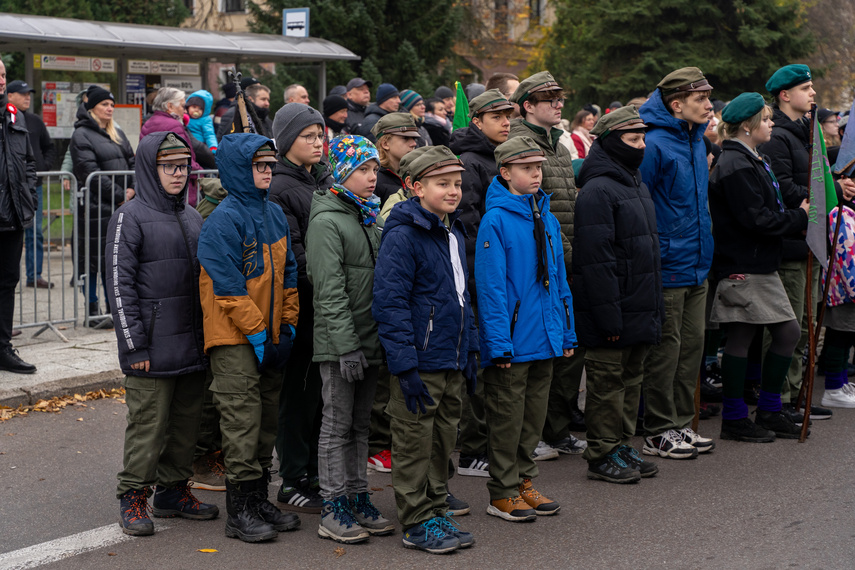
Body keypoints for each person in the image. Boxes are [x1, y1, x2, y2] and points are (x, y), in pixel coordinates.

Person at [107, 131, 218, 536]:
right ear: (150, 169)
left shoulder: (193, 216)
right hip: (150, 348)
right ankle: (133, 494)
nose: (178, 174)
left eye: (183, 166)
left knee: (186, 424)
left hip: (191, 346)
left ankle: (172, 490)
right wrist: (134, 346)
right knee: (148, 426)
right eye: (168, 166)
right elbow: (119, 286)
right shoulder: (129, 216)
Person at [372, 145, 478, 554]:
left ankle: (435, 508)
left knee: (440, 441)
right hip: (420, 362)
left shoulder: (452, 231)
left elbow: (462, 297)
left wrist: (469, 350)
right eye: (441, 184)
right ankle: (416, 521)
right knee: (415, 443)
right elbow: (390, 303)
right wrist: (404, 365)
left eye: (456, 183)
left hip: (450, 359)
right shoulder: (403, 235)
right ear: (415, 187)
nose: (452, 191)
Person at [197, 134, 301, 543]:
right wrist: (259, 333)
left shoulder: (273, 213)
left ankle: (258, 499)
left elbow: (289, 273)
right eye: (259, 166)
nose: (267, 172)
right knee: (242, 423)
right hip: (235, 340)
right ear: (240, 168)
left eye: (270, 166)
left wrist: (287, 326)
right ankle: (238, 511)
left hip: (271, 336)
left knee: (266, 423)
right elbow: (227, 289)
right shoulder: (221, 220)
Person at [476, 136, 577, 522]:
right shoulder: (496, 220)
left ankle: (524, 481)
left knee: (533, 419)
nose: (535, 174)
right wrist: (499, 343)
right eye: (525, 168)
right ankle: (501, 490)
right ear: (505, 173)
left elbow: (559, 282)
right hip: (514, 343)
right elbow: (491, 287)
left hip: (545, 337)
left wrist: (566, 333)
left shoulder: (546, 216)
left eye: (538, 167)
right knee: (507, 419)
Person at [708, 93, 810, 441]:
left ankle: (766, 411)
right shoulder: (734, 164)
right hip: (744, 262)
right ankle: (738, 417)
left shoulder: (751, 157)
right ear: (749, 126)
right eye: (765, 120)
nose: (770, 124)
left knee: (771, 334)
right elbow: (755, 219)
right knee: (756, 334)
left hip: (758, 260)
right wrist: (800, 216)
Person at [306, 135, 392, 543]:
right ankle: (333, 505)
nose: (372, 177)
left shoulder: (367, 216)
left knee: (361, 426)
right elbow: (329, 291)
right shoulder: (327, 221)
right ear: (342, 172)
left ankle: (359, 495)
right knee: (336, 425)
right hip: (342, 344)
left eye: (374, 169)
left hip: (370, 340)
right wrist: (346, 346)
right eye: (362, 169)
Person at [572, 105, 664, 483]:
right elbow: (597, 262)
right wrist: (609, 316)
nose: (640, 145)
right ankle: (601, 453)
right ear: (611, 143)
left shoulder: (635, 183)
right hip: (612, 309)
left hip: (638, 304)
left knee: (630, 382)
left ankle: (621, 444)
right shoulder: (597, 190)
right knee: (607, 385)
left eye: (643, 137)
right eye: (632, 138)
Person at [758, 64, 854, 418]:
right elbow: (782, 187)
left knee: (808, 324)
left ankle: (797, 394)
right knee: (791, 326)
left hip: (811, 242)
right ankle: (780, 399)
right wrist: (826, 196)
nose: (814, 94)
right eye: (806, 88)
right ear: (785, 95)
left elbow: (815, 178)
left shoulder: (804, 130)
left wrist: (833, 187)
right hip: (792, 242)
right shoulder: (780, 136)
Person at [637, 67, 716, 459]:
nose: (709, 105)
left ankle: (681, 423)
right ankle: (658, 429)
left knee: (692, 347)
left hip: (698, 261)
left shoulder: (696, 140)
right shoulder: (653, 144)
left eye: (708, 97)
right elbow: (641, 203)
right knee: (666, 352)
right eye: (701, 99)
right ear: (676, 104)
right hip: (669, 262)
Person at [508, 72, 586, 457]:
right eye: (549, 98)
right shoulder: (518, 145)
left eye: (560, 96)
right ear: (527, 105)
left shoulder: (560, 146)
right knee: (537, 356)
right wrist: (565, 256)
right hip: (542, 264)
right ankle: (532, 435)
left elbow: (568, 203)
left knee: (567, 351)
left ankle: (556, 427)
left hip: (567, 258)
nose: (559, 103)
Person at [268, 103, 332, 514]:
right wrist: (331, 276)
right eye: (308, 136)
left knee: (319, 396)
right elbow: (295, 254)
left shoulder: (321, 179)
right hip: (302, 305)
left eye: (319, 135)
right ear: (288, 140)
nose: (317, 142)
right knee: (298, 394)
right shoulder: (278, 188)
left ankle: (311, 470)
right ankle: (291, 478)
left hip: (326, 304)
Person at [448, 89, 514, 477]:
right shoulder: (472, 162)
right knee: (481, 364)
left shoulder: (501, 157)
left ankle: (488, 441)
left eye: (508, 115)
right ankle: (473, 447)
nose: (505, 121)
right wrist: (478, 280)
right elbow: (470, 227)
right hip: (480, 276)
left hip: (501, 274)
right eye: (496, 116)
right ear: (476, 120)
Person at [70, 86, 135, 327]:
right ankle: (93, 312)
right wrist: (121, 195)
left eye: (112, 105)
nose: (110, 109)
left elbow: (132, 160)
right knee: (92, 261)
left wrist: (133, 188)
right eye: (104, 105)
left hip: (121, 206)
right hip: (96, 209)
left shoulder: (115, 131)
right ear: (92, 108)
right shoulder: (81, 135)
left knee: (114, 261)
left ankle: (113, 311)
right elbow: (91, 172)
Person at [0, 60, 38, 374]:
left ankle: (2, 349)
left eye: (1, 75)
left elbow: (27, 163)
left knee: (7, 283)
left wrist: (31, 199)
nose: (0, 80)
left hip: (12, 215)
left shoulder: (14, 116)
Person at [7, 80, 56, 289]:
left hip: (33, 186)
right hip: (8, 187)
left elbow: (49, 147)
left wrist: (42, 167)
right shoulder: (5, 119)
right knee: (8, 231)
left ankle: (34, 275)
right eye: (22, 93)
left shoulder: (35, 121)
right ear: (9, 96)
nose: (27, 97)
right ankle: (8, 277)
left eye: (29, 94)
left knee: (35, 231)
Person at [141, 87, 203, 207]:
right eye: (182, 106)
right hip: (176, 186)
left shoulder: (148, 123)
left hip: (152, 185)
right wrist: (200, 174)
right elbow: (183, 156)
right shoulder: (174, 125)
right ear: (170, 106)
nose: (184, 111)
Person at [371, 112, 420, 205]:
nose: (414, 143)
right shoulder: (374, 178)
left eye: (414, 138)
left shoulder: (414, 174)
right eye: (406, 138)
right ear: (385, 144)